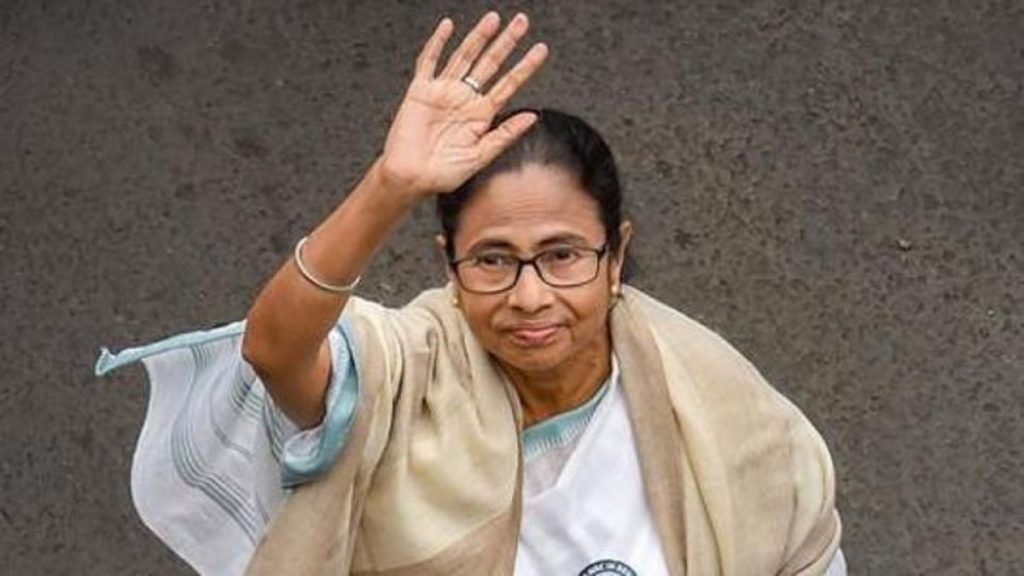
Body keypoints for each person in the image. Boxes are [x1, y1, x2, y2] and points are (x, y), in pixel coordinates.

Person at [96, 11, 845, 576]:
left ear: (616, 257)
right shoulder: (405, 380)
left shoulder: (713, 403)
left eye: (562, 256)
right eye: (492, 260)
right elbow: (275, 349)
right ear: (449, 269)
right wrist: (390, 186)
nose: (529, 296)